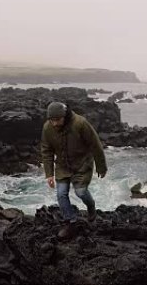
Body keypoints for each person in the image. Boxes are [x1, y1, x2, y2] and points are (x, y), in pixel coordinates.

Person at [40, 101, 107, 239]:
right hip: (62, 166)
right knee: (61, 194)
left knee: (81, 192)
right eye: (52, 120)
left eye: (58, 120)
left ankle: (91, 206)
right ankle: (70, 222)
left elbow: (95, 145)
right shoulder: (47, 128)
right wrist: (49, 174)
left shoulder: (80, 123)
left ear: (65, 115)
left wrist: (101, 166)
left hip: (82, 165)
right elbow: (46, 151)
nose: (55, 123)